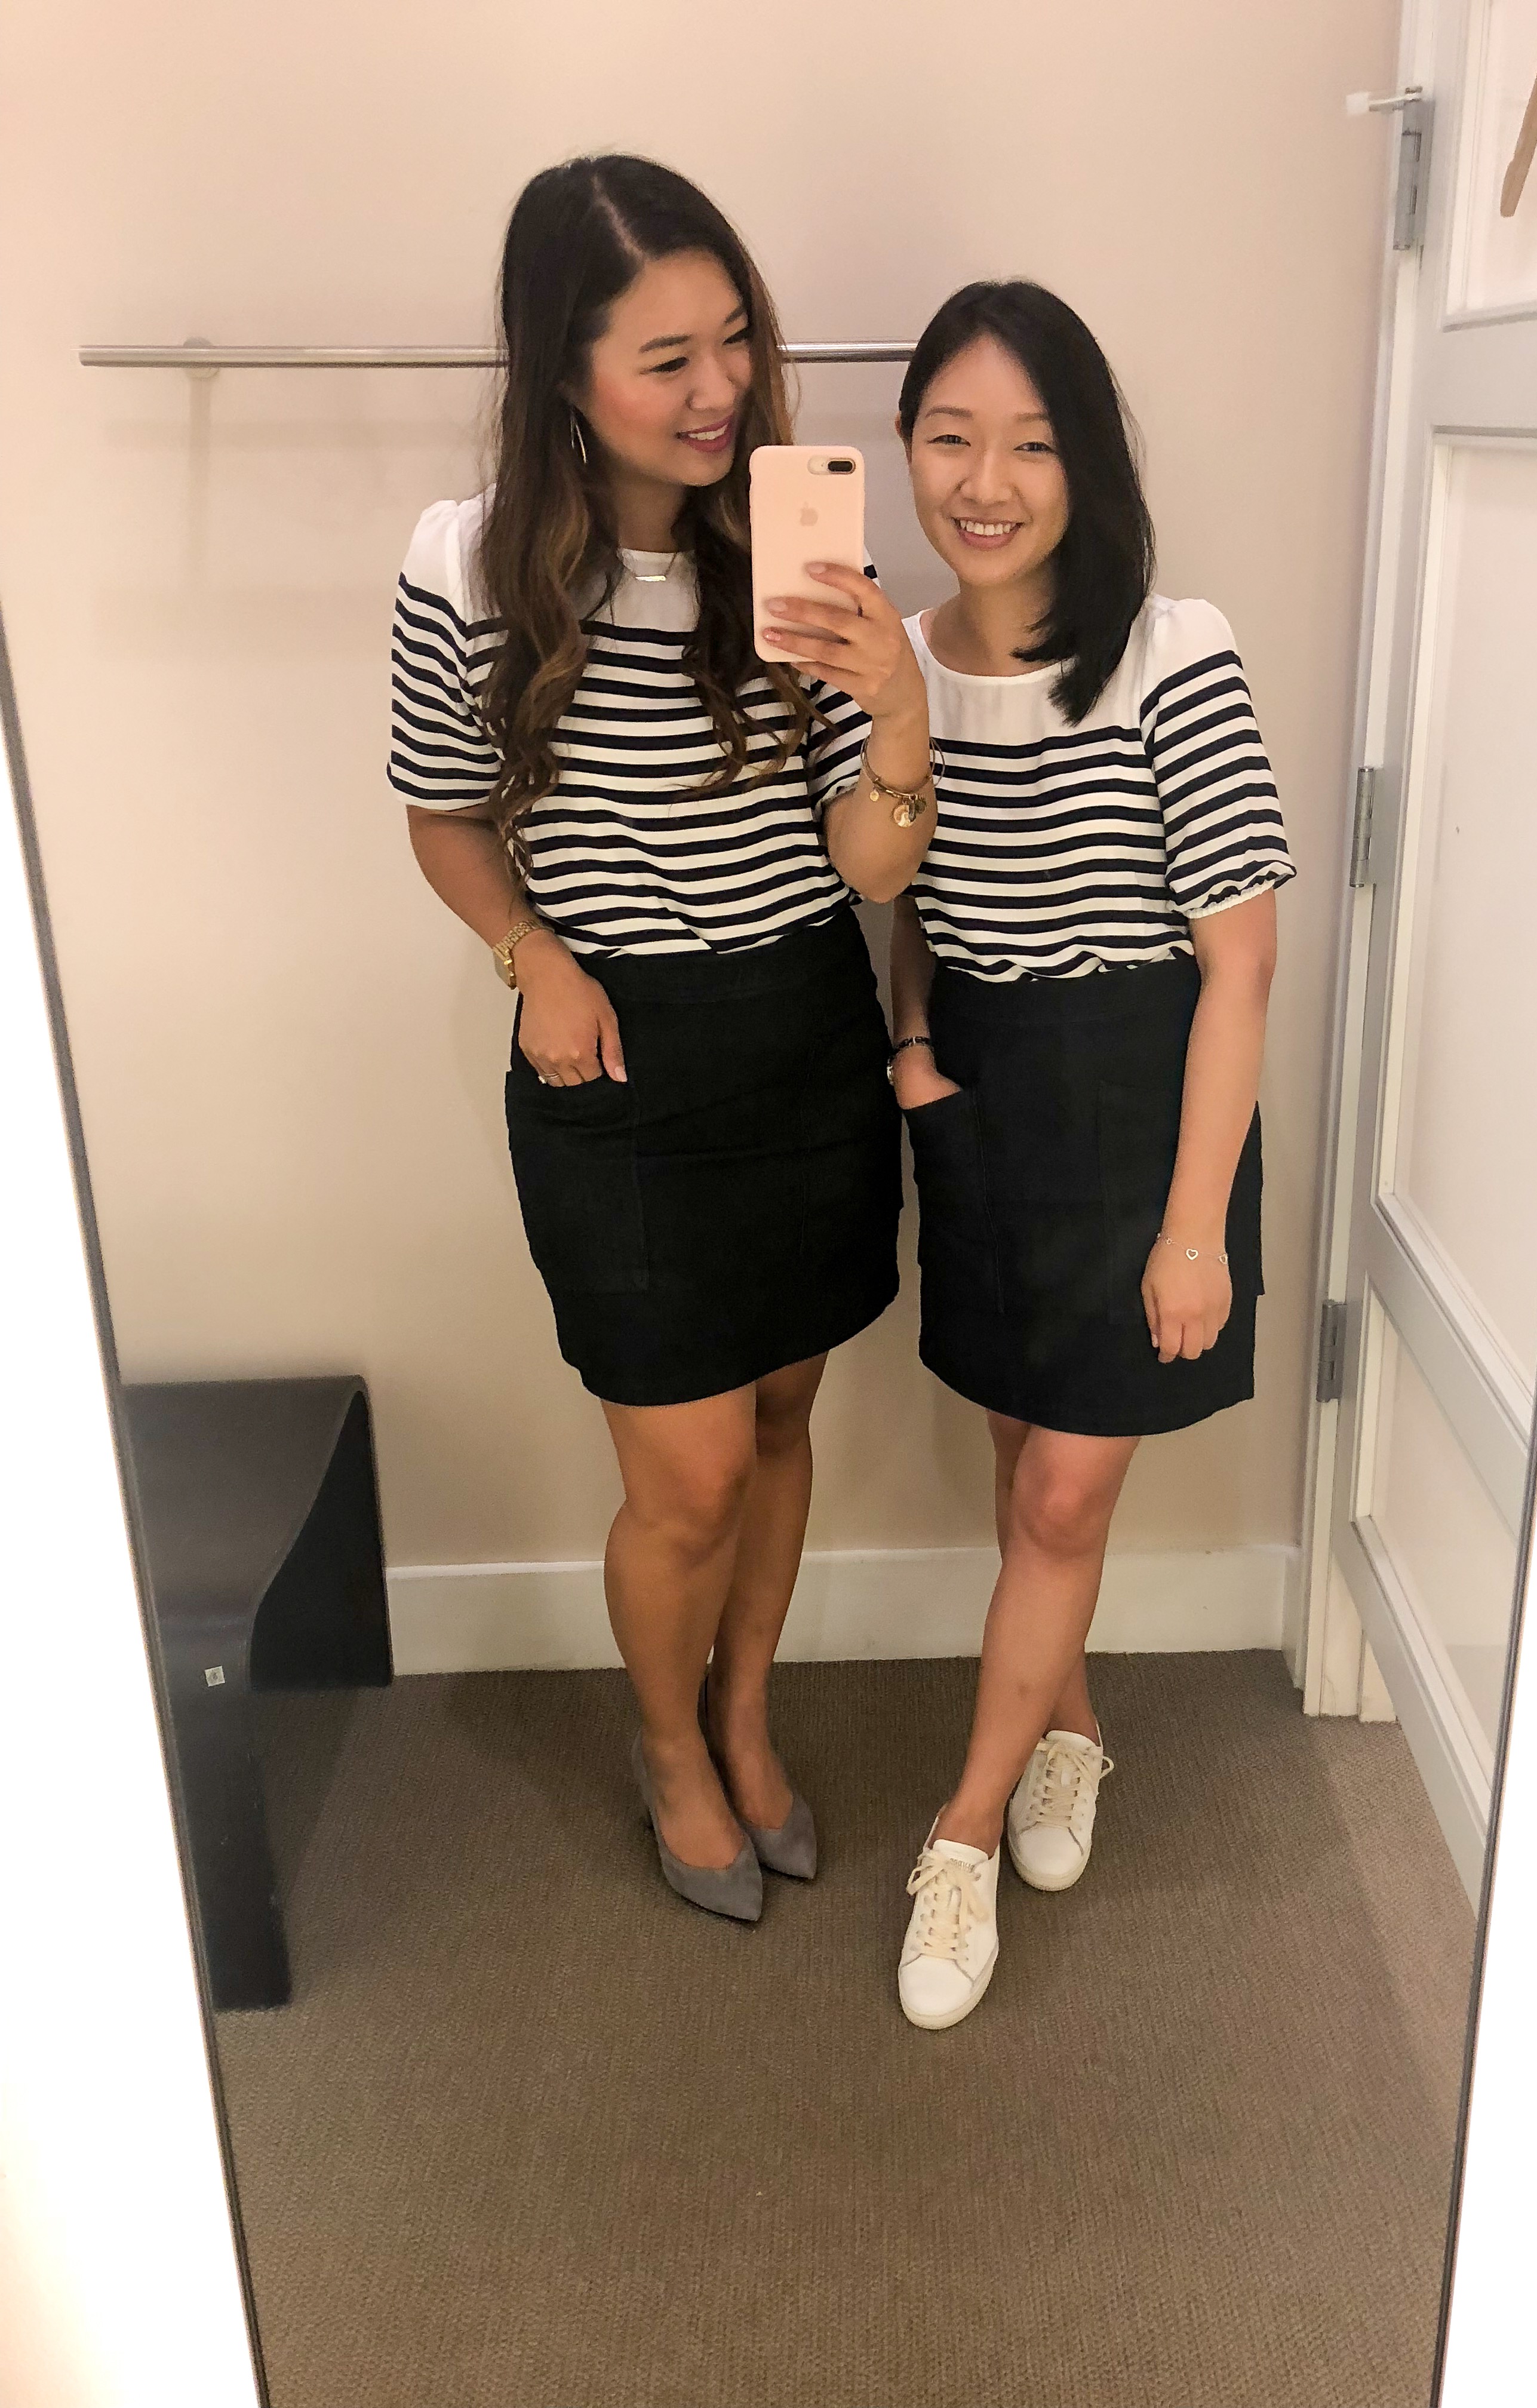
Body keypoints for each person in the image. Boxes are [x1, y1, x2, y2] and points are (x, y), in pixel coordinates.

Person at [390, 155, 934, 1925]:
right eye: (665, 358)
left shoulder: (794, 548)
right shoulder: (467, 563)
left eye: (735, 340)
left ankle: (747, 1712)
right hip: (613, 1054)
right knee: (684, 1476)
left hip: (802, 1027)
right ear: (563, 371)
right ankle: (670, 1745)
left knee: (780, 1416)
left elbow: (870, 864)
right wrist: (530, 957)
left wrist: (899, 715)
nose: (719, 390)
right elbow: (442, 813)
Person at [886, 282, 1293, 2028]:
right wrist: (914, 1054)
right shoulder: (899, 662)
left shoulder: (1169, 650)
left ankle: (964, 1833)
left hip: (1142, 1096)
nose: (985, 483)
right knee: (1020, 1456)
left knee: (1065, 1491)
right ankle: (1071, 1728)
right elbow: (897, 890)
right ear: (909, 450)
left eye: (1031, 445)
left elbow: (1241, 964)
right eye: (951, 439)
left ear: (1087, 465)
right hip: (983, 1085)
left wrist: (1196, 1228)